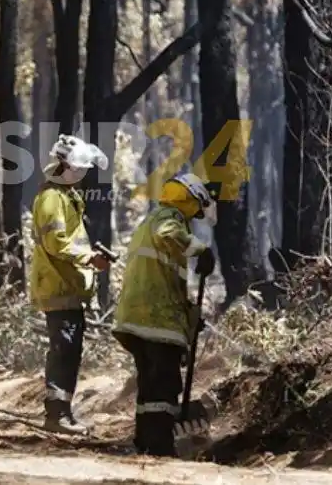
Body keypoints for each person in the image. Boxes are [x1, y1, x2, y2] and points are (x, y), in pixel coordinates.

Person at [112, 172, 217, 457]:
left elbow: (165, 281)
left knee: (149, 384)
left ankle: (145, 441)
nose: (196, 216)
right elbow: (168, 234)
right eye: (196, 208)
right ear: (190, 199)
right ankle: (160, 446)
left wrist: (189, 316)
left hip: (138, 319)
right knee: (166, 384)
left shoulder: (150, 220)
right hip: (156, 319)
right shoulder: (167, 219)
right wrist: (201, 249)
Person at [28, 134, 112, 434]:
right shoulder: (52, 198)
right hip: (57, 286)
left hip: (69, 288)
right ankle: (56, 416)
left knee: (70, 349)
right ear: (64, 165)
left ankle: (63, 413)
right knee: (64, 349)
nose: (83, 174)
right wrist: (89, 258)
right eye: (80, 169)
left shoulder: (67, 195)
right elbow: (55, 243)